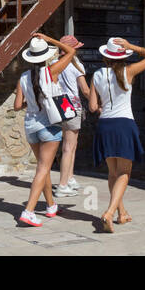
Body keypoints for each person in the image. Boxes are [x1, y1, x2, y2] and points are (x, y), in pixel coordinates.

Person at [88, 37, 145, 233]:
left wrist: (103, 108)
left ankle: (121, 212)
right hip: (124, 124)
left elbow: (92, 106)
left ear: (105, 57)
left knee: (112, 173)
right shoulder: (128, 71)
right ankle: (109, 213)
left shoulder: (97, 75)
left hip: (105, 125)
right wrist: (132, 46)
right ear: (122, 55)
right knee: (124, 173)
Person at [12, 34, 78, 227]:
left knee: (44, 167)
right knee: (43, 168)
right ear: (45, 55)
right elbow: (71, 51)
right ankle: (29, 211)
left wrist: (31, 103)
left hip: (30, 126)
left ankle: (50, 205)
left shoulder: (23, 78)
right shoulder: (51, 71)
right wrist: (49, 38)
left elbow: (17, 106)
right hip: (49, 125)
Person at [53, 35, 89, 199]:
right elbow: (85, 89)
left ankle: (70, 177)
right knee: (69, 147)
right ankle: (63, 184)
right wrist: (97, 103)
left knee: (70, 145)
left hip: (60, 103)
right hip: (73, 105)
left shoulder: (56, 65)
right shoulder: (76, 65)